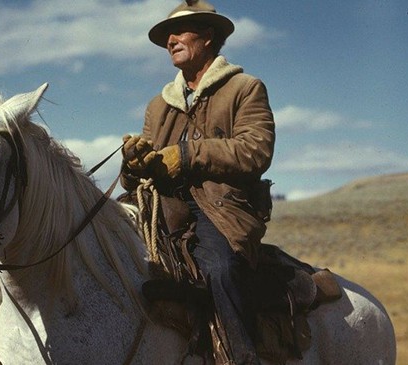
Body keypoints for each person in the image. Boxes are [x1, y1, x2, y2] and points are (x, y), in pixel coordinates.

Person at [120, 1, 274, 364]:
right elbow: (145, 169)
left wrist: (187, 155)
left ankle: (239, 357)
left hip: (222, 209)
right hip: (163, 207)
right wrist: (133, 163)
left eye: (180, 31)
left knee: (219, 270)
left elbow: (256, 150)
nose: (170, 40)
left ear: (208, 36)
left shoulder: (244, 88)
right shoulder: (158, 105)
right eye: (166, 37)